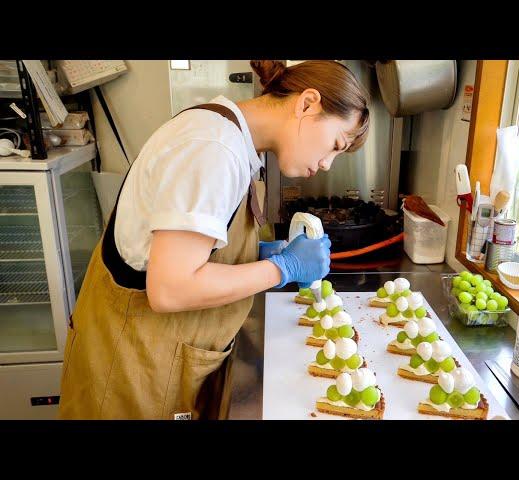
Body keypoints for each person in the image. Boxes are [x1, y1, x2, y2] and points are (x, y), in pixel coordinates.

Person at [58, 60, 370, 419]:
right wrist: (281, 268)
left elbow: (193, 250)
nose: (328, 163)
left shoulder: (230, 138)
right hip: (129, 370)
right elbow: (171, 288)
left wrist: (259, 254)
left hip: (162, 359)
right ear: (307, 103)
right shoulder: (213, 148)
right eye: (335, 144)